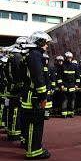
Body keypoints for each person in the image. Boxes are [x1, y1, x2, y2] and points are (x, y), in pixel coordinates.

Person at [20, 31, 53, 159]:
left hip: (30, 94)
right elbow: (38, 78)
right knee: (35, 124)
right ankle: (34, 151)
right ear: (39, 43)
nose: (46, 46)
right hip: (34, 97)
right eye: (45, 43)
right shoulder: (35, 55)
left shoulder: (31, 54)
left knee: (32, 124)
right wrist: (43, 96)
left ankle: (34, 147)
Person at [57, 51, 80, 118]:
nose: (69, 59)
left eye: (70, 58)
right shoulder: (62, 66)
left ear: (72, 58)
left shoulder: (74, 66)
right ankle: (64, 113)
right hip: (64, 86)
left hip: (72, 86)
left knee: (72, 100)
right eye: (67, 58)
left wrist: (77, 85)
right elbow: (59, 77)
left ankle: (71, 113)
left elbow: (77, 77)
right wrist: (61, 85)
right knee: (64, 100)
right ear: (65, 58)